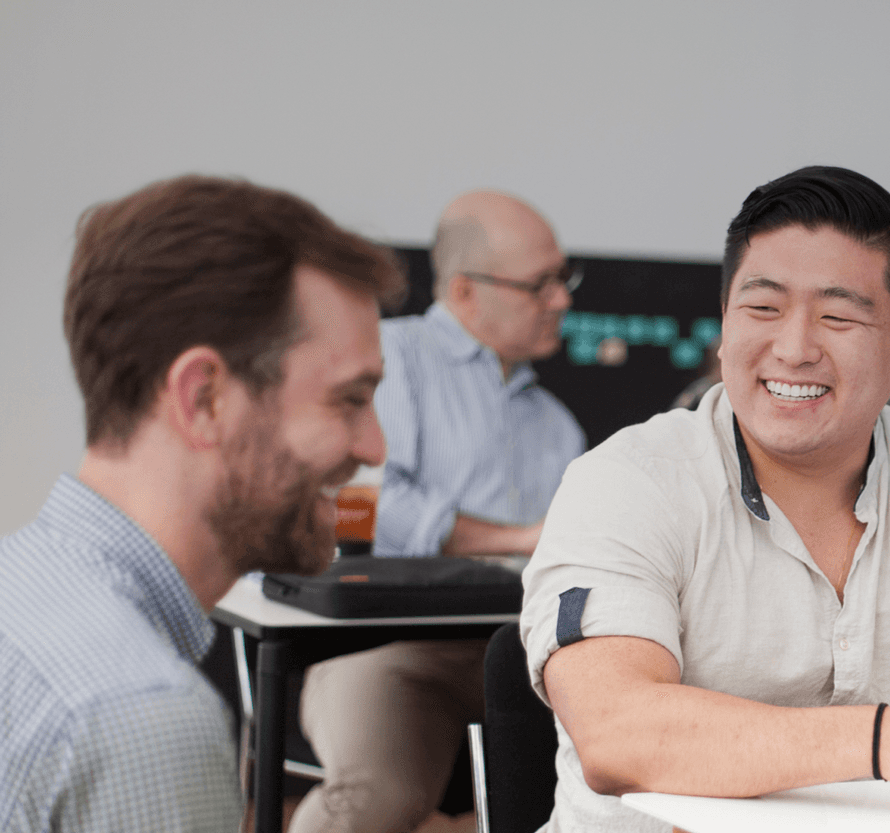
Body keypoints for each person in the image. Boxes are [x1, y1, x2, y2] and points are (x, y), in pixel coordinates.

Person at [521, 166, 890, 833]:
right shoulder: (625, 481)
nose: (794, 347)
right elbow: (617, 730)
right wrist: (887, 741)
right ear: (724, 325)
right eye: (763, 308)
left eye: (838, 316)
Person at [0, 175, 400, 830]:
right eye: (349, 399)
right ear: (204, 398)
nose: (376, 445)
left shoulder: (18, 592)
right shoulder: (142, 716)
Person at [290, 191, 585, 833]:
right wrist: (523, 538)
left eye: (564, 278)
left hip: (525, 651)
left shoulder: (557, 426)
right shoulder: (390, 359)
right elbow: (360, 505)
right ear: (464, 291)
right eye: (541, 284)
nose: (562, 299)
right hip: (387, 644)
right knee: (371, 800)